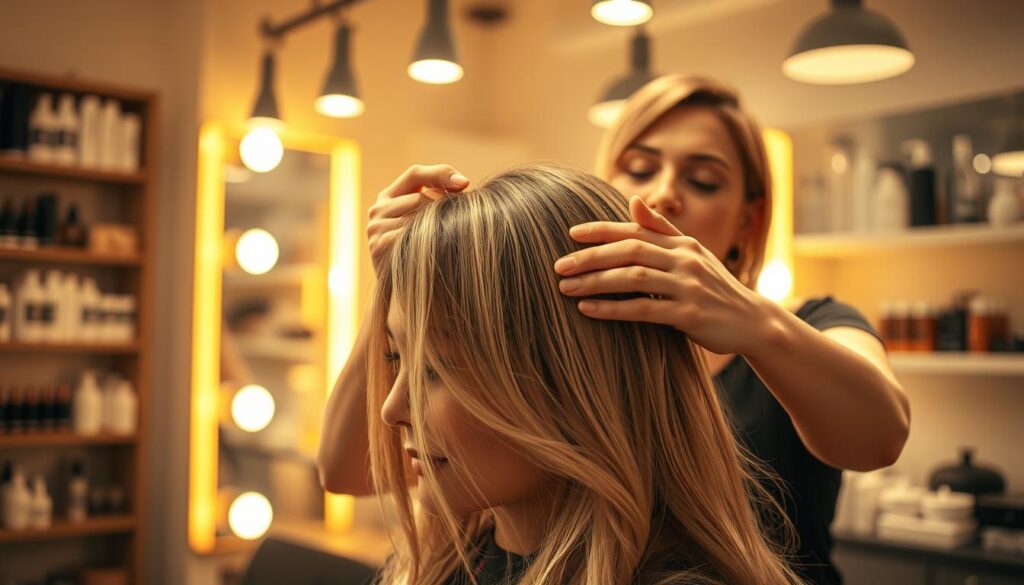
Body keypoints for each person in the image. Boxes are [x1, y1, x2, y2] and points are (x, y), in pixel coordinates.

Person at [318, 75, 911, 584]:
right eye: (639, 167)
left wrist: (755, 324)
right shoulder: (578, 329)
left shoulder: (803, 324)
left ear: (748, 219)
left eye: (702, 180)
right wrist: (402, 287)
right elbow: (351, 471)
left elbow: (878, 436)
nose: (661, 193)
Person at [362, 163, 802, 584]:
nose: (391, 408)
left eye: (437, 370)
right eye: (394, 359)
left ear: (574, 383)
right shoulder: (439, 566)